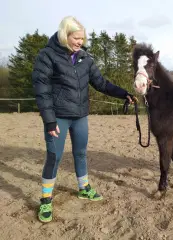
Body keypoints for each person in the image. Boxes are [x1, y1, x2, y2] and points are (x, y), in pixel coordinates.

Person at [32, 16, 136, 223]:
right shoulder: (47, 56)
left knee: (80, 153)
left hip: (80, 116)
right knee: (55, 156)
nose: (80, 42)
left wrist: (123, 93)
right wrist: (49, 120)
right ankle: (45, 199)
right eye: (76, 38)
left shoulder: (85, 58)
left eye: (82, 38)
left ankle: (84, 188)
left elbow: (101, 83)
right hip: (58, 117)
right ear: (65, 35)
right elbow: (41, 90)